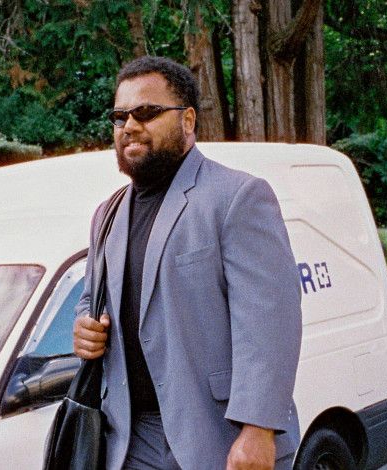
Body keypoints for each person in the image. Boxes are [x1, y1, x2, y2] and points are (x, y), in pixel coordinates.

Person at [73, 56, 302, 470]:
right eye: (120, 116)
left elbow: (270, 323)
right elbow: (91, 301)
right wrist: (84, 329)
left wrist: (258, 431)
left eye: (146, 112)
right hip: (128, 440)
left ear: (188, 120)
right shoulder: (107, 215)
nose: (129, 126)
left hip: (217, 436)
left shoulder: (237, 197)